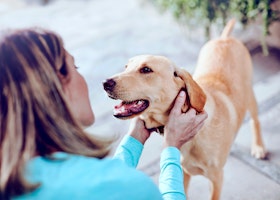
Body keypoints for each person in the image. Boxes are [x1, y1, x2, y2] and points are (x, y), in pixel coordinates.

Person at [0, 28, 208, 200]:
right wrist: (171, 149)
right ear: (55, 86)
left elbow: (98, 181)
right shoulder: (131, 188)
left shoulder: (11, 176)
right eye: (75, 67)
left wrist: (134, 140)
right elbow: (110, 185)